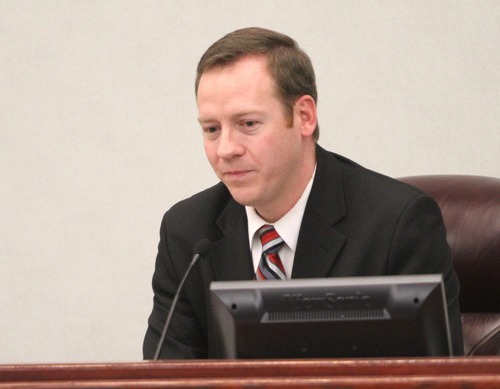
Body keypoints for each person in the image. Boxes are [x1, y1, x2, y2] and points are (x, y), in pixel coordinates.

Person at [143, 27, 463, 359]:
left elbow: (432, 376)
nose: (225, 149)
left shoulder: (398, 224)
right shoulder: (187, 234)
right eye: (211, 129)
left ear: (304, 117)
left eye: (248, 124)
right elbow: (168, 373)